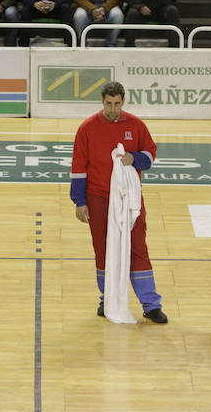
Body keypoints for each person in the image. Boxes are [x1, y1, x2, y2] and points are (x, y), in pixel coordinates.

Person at [70, 81, 168, 324]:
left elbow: (150, 154)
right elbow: (79, 168)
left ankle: (151, 304)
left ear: (123, 101)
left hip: (129, 200)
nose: (113, 109)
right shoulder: (87, 129)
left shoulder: (136, 125)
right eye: (108, 104)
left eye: (117, 103)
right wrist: (79, 201)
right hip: (98, 198)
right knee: (103, 250)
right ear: (102, 102)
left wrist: (134, 158)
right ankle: (108, 299)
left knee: (138, 248)